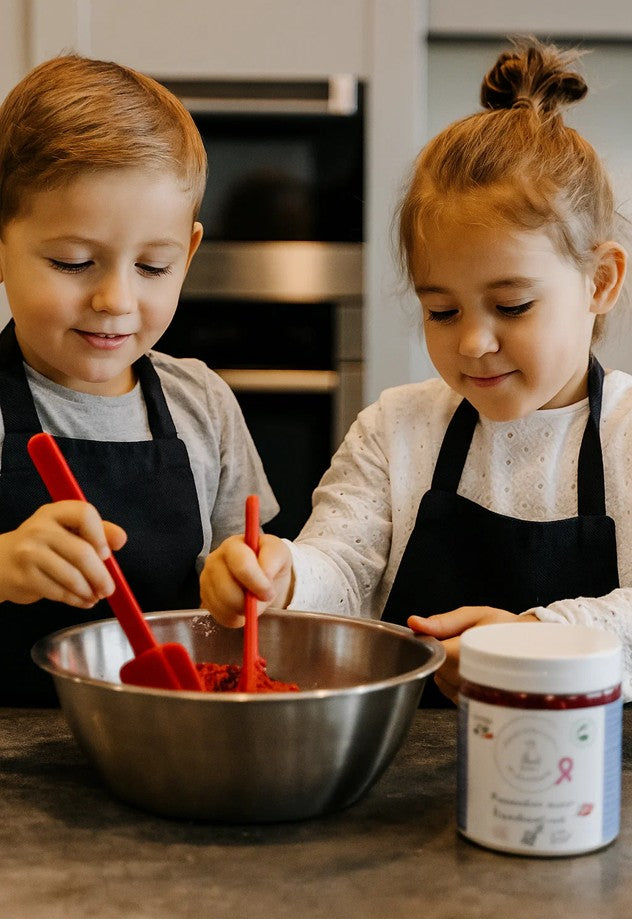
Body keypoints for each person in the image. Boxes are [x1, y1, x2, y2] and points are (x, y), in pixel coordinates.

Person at [199, 37, 632, 705]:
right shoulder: (397, 430)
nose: (473, 342)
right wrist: (284, 576)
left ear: (601, 281)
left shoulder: (627, 435)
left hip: (581, 787)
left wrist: (536, 642)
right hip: (403, 777)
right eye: (441, 310)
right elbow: (341, 570)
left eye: (511, 305)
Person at [0, 55, 278, 705]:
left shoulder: (200, 403)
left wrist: (246, 576)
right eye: (74, 262)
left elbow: (247, 555)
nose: (115, 299)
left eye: (153, 267)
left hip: (172, 743)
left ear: (189, 253)